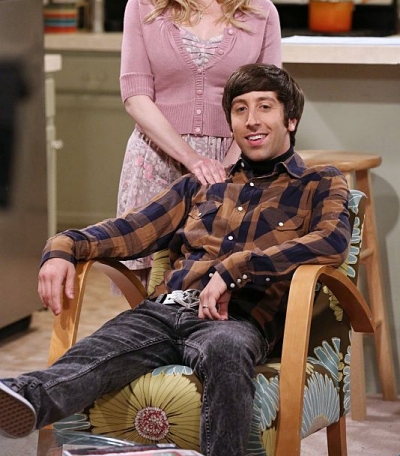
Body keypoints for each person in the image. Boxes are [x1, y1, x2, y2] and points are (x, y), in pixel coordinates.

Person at [0, 64, 350, 456]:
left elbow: (331, 241)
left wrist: (237, 269)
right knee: (93, 354)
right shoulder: (202, 185)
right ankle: (22, 397)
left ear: (291, 119)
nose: (251, 120)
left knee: (227, 353)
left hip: (235, 321)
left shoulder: (319, 183)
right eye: (240, 109)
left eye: (264, 107)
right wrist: (63, 245)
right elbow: (130, 230)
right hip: (163, 312)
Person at [117, 0, 282, 281]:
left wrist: (229, 165)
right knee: (145, 287)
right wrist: (191, 159)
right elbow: (135, 95)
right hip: (156, 160)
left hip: (232, 163)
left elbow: (268, 101)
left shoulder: (260, 14)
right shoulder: (143, 8)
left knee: (219, 284)